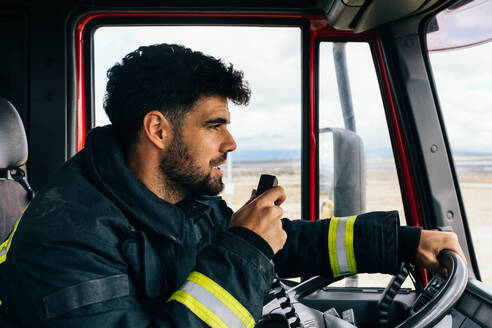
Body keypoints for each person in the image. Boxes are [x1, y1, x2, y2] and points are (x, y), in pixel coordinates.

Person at [0, 43, 465, 327]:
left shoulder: (178, 195)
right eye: (214, 125)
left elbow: (280, 244)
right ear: (158, 130)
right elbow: (247, 251)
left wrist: (401, 243)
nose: (231, 142)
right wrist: (244, 248)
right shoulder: (67, 238)